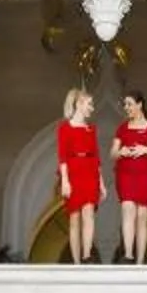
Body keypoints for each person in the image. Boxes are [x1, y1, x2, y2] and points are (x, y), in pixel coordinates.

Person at [113, 91, 147, 266]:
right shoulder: (122, 128)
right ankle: (128, 255)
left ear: (139, 104)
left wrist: (146, 150)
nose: (126, 108)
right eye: (125, 105)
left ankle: (140, 261)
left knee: (142, 217)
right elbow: (113, 153)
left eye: (129, 104)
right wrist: (121, 152)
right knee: (128, 210)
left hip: (144, 176)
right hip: (125, 175)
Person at [56, 85, 103, 266]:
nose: (92, 108)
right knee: (75, 219)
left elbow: (96, 156)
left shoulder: (91, 129)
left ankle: (87, 256)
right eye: (89, 104)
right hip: (73, 172)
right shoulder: (64, 128)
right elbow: (62, 156)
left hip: (90, 171)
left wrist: (101, 183)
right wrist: (65, 181)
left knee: (89, 214)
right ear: (79, 104)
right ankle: (76, 263)